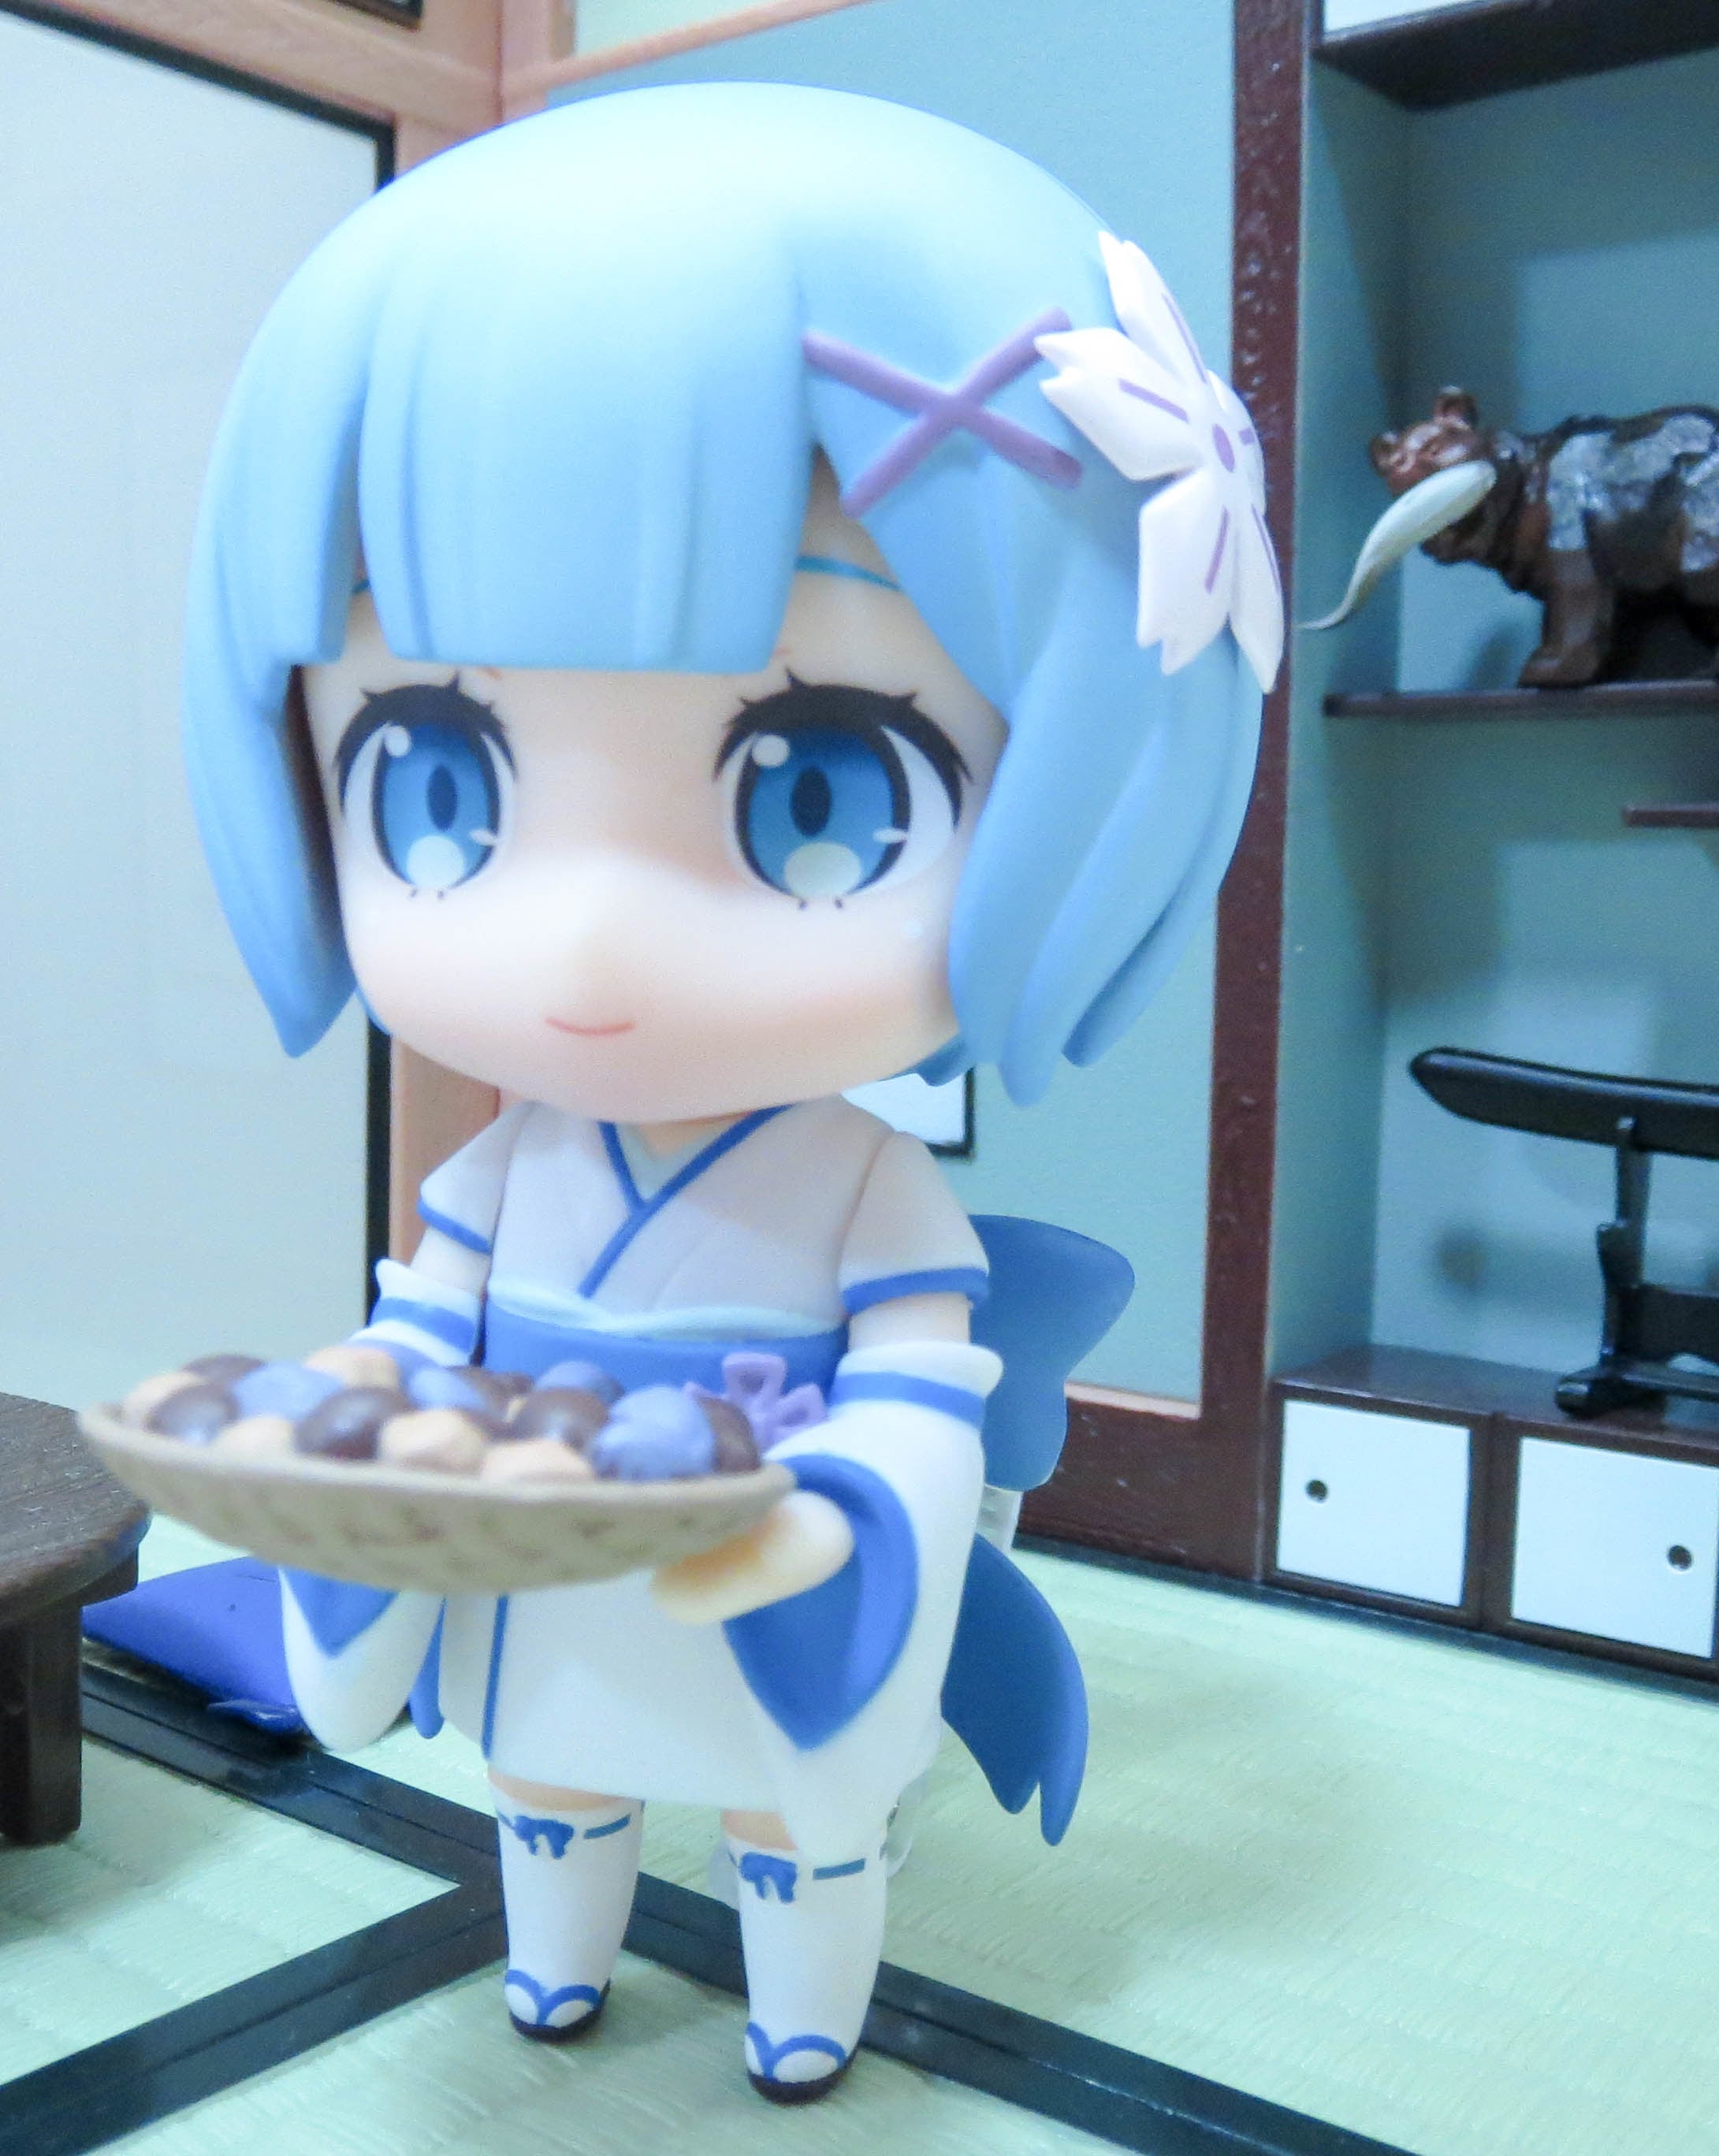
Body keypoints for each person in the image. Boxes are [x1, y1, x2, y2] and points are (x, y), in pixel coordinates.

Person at [179, 81, 1273, 2102]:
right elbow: (421, 1330)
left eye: (822, 793)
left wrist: (834, 1520)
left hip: (770, 1555)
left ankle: (799, 2005)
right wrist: (360, 1429)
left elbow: (922, 1393)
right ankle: (556, 1960)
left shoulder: (862, 1184)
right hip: (546, 1558)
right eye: (433, 786)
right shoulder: (509, 1168)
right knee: (546, 1767)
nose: (591, 947)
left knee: (784, 1803)